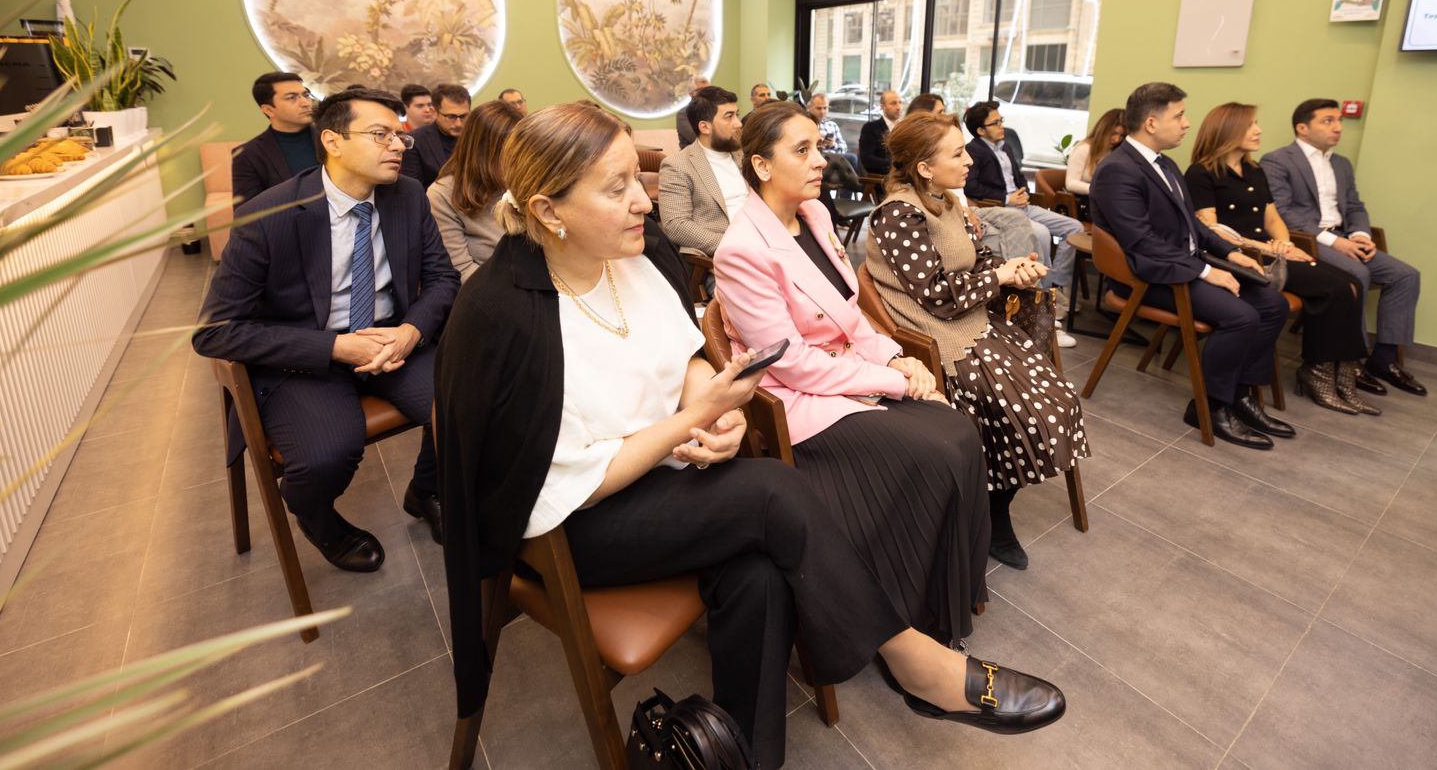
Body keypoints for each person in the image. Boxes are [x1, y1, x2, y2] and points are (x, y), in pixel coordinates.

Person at [434, 105, 1066, 770]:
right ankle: (913, 660)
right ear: (546, 208)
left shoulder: (637, 259)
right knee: (770, 491)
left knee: (761, 574)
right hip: (580, 521)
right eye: (614, 187)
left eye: (637, 181)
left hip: (668, 476)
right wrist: (689, 422)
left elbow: (686, 357)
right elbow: (561, 483)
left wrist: (715, 406)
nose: (642, 202)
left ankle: (752, 757)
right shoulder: (503, 316)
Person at [714, 102, 992, 650]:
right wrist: (887, 381)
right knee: (934, 450)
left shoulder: (815, 217)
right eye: (803, 150)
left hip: (845, 369)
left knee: (960, 429)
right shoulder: (741, 251)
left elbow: (850, 316)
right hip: (797, 399)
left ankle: (948, 592)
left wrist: (896, 360)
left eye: (818, 146)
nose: (822, 160)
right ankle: (911, 618)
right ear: (762, 166)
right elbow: (789, 361)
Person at [194, 88, 459, 570]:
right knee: (325, 456)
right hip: (305, 355)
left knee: (469, 405)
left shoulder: (407, 197)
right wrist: (335, 347)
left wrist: (411, 332)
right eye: (381, 135)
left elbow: (442, 278)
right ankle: (319, 520)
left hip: (389, 340)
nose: (399, 146)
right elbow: (214, 331)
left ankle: (427, 491)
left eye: (400, 137)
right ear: (333, 142)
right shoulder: (269, 214)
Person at [865, 112, 1090, 570]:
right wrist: (1000, 277)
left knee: (1057, 403)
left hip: (974, 322)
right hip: (932, 337)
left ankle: (994, 505)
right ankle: (990, 511)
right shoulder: (897, 216)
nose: (969, 161)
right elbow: (938, 297)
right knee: (1027, 413)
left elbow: (978, 257)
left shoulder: (945, 201)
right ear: (924, 167)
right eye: (957, 153)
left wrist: (1014, 270)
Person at [1091, 82, 1292, 449]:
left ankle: (1240, 396)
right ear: (1151, 123)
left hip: (1183, 265)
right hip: (1147, 274)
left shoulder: (1164, 163)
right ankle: (1210, 406)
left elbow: (1193, 223)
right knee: (1241, 316)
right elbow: (1141, 241)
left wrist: (1229, 253)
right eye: (1179, 115)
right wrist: (1206, 271)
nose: (1187, 124)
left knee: (1273, 305)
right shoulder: (1118, 170)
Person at [1186, 104, 1378, 416]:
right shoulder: (1202, 173)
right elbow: (1211, 229)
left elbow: (1273, 218)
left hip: (1270, 253)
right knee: (1335, 289)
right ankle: (1317, 374)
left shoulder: (1255, 170)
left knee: (1352, 282)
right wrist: (1267, 249)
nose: (1259, 130)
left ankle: (1342, 376)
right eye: (1251, 125)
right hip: (1241, 258)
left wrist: (1286, 245)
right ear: (1228, 129)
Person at [1261, 100, 1427, 396]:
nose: (1337, 127)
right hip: (1308, 240)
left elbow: (1354, 206)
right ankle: (1353, 361)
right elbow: (1284, 212)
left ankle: (1384, 359)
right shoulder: (1277, 160)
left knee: (1406, 276)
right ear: (1303, 128)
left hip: (1347, 236)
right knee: (1357, 275)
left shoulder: (1341, 164)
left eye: (1338, 120)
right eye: (1327, 121)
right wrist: (1335, 241)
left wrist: (1362, 235)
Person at [963, 101, 1083, 307]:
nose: (1002, 126)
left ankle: (1056, 284)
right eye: (995, 123)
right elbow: (971, 187)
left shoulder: (1006, 146)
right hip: (1001, 207)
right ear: (981, 130)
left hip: (1023, 205)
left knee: (1074, 228)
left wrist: (1023, 192)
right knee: (1043, 233)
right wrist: (1007, 198)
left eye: (1001, 120)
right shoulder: (974, 151)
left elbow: (1018, 176)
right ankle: (1043, 295)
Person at [906, 93, 1040, 269]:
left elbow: (957, 195)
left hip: (965, 205)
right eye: (957, 154)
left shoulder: (945, 189)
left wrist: (965, 209)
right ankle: (1022, 288)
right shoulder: (904, 214)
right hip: (967, 207)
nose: (969, 161)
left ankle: (1033, 285)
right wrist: (1004, 274)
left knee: (1017, 219)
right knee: (1032, 233)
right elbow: (934, 288)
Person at [427, 100, 520, 283]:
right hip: (488, 293)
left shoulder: (521, 181)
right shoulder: (443, 194)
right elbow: (461, 270)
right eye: (512, 152)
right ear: (484, 153)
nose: (520, 159)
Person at [658, 86, 745, 255]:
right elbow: (676, 225)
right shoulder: (677, 166)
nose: (738, 123)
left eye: (737, 114)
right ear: (705, 127)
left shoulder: (743, 155)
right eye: (729, 117)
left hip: (765, 242)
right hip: (724, 254)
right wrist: (733, 246)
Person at [231, 72, 317, 205]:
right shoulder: (248, 155)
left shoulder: (332, 136)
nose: (305, 103)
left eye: (306, 95)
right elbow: (246, 213)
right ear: (268, 110)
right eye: (291, 98)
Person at [401, 82, 470, 188]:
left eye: (464, 116)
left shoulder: (478, 137)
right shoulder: (416, 141)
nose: (458, 123)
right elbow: (412, 189)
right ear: (434, 112)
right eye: (451, 117)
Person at [804, 93, 863, 191]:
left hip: (834, 159)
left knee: (851, 158)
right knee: (850, 159)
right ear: (809, 108)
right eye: (819, 108)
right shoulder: (805, 125)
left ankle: (847, 196)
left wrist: (833, 144)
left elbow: (843, 147)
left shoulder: (832, 125)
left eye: (825, 108)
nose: (822, 112)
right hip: (816, 158)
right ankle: (858, 186)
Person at [1064, 108, 1125, 196]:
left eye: (1121, 135)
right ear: (1103, 130)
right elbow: (1071, 184)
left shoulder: (1114, 152)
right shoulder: (1084, 148)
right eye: (1113, 133)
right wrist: (1101, 190)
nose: (1117, 139)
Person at [858, 89, 902, 176]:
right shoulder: (871, 128)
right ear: (882, 107)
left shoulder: (904, 128)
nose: (898, 107)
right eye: (893, 103)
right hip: (881, 178)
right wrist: (896, 165)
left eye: (900, 102)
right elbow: (867, 159)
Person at [675, 74, 713, 148]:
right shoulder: (683, 114)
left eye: (708, 90)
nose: (706, 93)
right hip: (691, 156)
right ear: (691, 93)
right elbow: (696, 139)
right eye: (701, 90)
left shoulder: (715, 110)